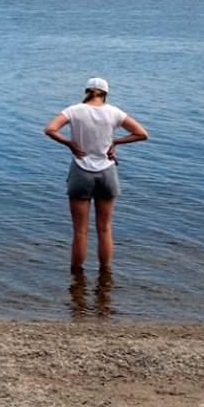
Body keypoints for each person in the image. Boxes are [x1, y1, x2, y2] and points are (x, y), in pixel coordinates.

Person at [44, 78, 148, 273]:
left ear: (87, 91)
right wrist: (115, 142)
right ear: (105, 94)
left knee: (80, 231)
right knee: (105, 228)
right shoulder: (114, 113)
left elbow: (50, 129)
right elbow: (142, 134)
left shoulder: (74, 110)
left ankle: (76, 278)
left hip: (81, 170)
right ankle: (105, 274)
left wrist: (70, 143)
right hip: (107, 171)